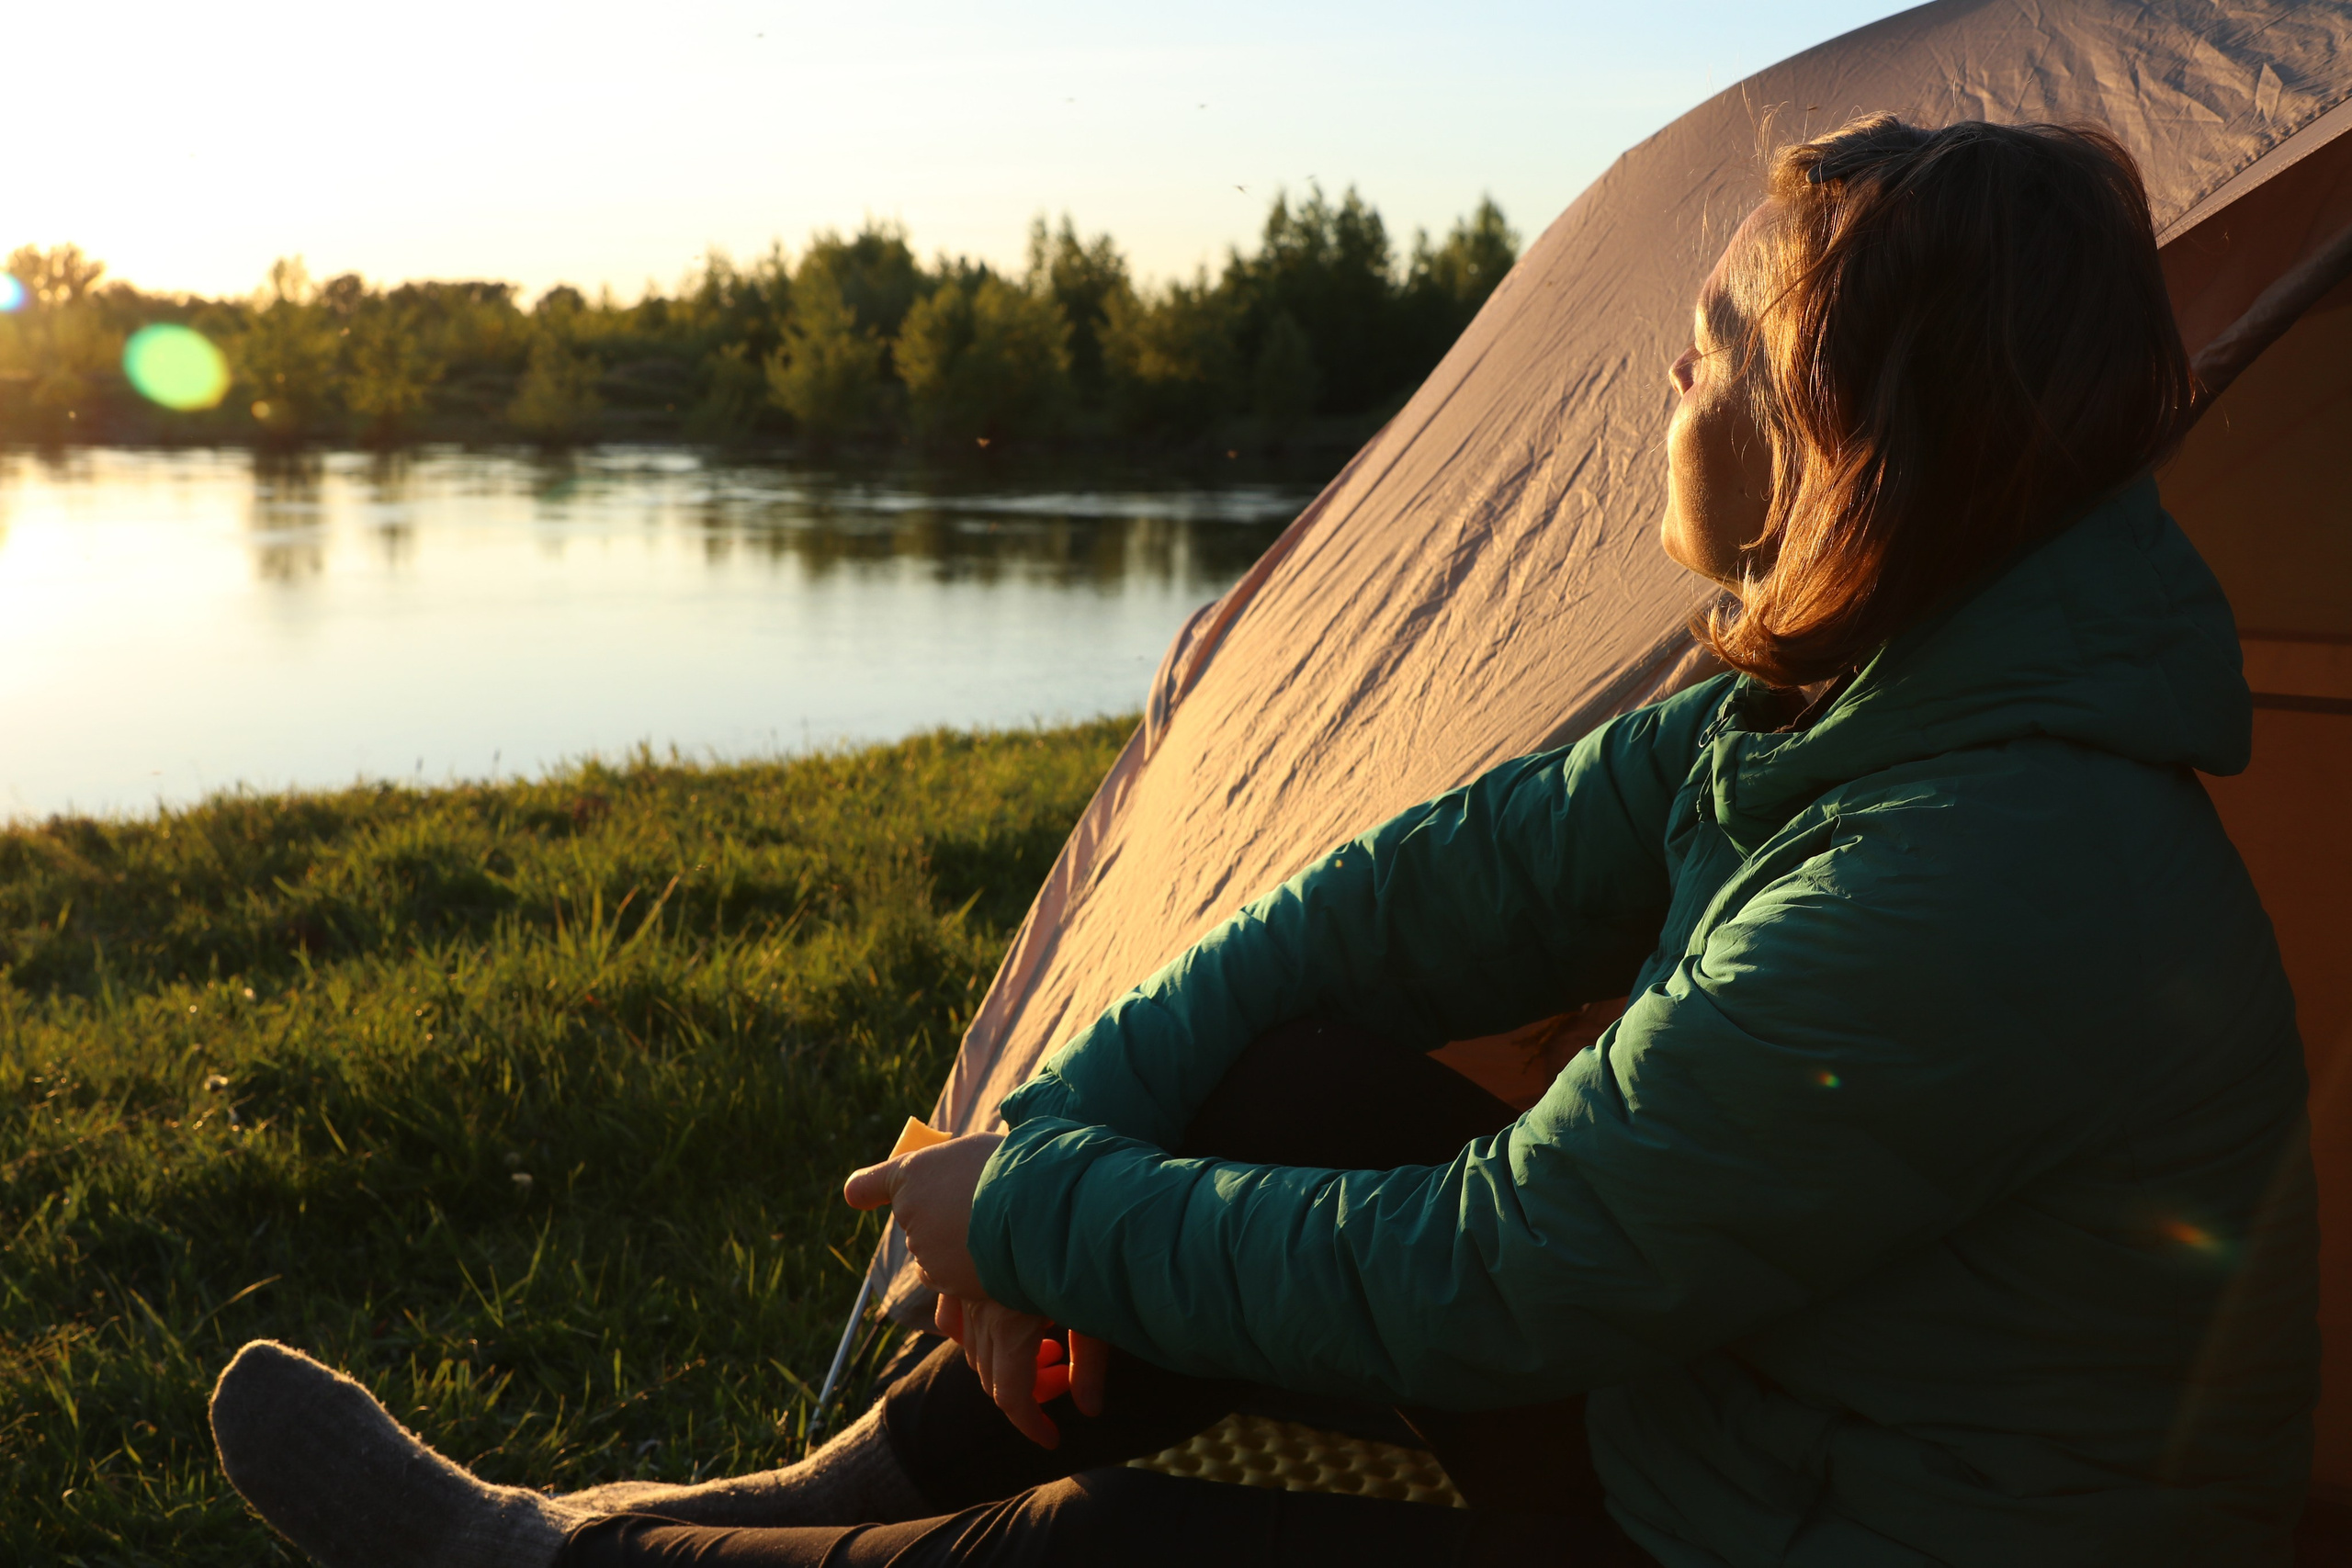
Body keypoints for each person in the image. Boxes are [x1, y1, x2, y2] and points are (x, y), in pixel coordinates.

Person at [209, 114, 2320, 1567]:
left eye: (1705, 357)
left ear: (1829, 442)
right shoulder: (1823, 708)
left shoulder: (1966, 873)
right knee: (1291, 1067)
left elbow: (1489, 1274)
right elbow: (1373, 919)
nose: (1662, 395)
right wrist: (1047, 1140)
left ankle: (534, 1564)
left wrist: (1042, 1213)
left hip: (1863, 1535)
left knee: (1124, 1545)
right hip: (1750, 1429)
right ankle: (774, 1493)